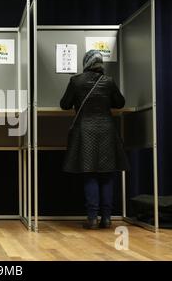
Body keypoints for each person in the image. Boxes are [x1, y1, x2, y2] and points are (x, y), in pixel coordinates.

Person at [60, 50, 129, 229]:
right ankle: (107, 218)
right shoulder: (108, 81)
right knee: (107, 174)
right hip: (106, 130)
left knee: (90, 174)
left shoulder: (76, 81)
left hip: (86, 131)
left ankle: (91, 218)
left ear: (86, 63)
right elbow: (120, 103)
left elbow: (64, 104)